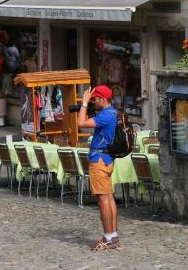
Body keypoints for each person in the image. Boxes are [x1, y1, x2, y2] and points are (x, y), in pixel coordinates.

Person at [79, 85, 120, 251]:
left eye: (95, 99)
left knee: (103, 200)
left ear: (103, 99)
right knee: (109, 198)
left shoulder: (106, 115)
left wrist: (83, 103)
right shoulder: (113, 113)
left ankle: (109, 237)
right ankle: (112, 235)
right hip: (107, 158)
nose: (93, 102)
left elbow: (81, 123)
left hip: (99, 160)